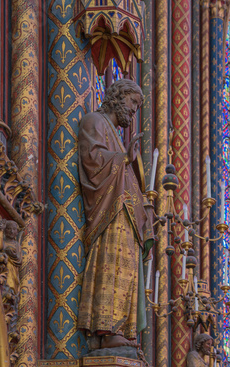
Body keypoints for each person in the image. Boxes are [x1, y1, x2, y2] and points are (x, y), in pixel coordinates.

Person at [77, 79, 153, 349]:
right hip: (109, 216)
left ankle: (120, 328)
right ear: (118, 97)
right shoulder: (93, 122)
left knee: (127, 270)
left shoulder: (116, 136)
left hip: (124, 216)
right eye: (133, 103)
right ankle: (106, 328)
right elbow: (93, 162)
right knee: (113, 265)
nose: (134, 111)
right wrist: (124, 160)